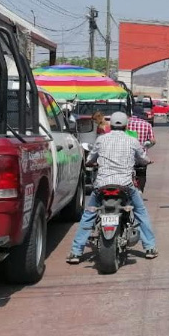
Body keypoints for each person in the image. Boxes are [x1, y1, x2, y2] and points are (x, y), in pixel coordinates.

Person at [67, 112, 158, 263]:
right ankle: (149, 247)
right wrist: (147, 161)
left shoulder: (101, 139)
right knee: (140, 212)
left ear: (111, 125)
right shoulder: (132, 141)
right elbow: (142, 158)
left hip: (102, 185)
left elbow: (90, 158)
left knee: (88, 215)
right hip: (125, 185)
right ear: (126, 126)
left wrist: (91, 162)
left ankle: (76, 252)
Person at [128, 105, 156, 192]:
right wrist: (147, 146)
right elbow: (153, 141)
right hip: (141, 156)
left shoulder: (126, 123)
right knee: (141, 175)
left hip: (126, 154)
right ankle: (140, 191)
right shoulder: (147, 125)